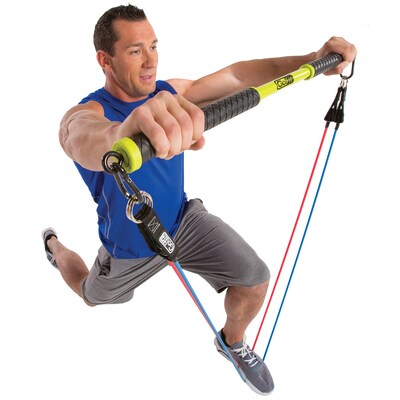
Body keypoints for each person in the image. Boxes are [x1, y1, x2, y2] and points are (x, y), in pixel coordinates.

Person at [42, 4, 356, 395]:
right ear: (105, 60)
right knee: (89, 295)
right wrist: (122, 134)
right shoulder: (86, 114)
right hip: (130, 249)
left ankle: (232, 343)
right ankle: (54, 247)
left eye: (154, 46)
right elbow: (79, 136)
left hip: (182, 223)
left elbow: (238, 76)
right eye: (136, 51)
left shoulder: (169, 93)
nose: (150, 61)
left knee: (255, 281)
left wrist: (311, 60)